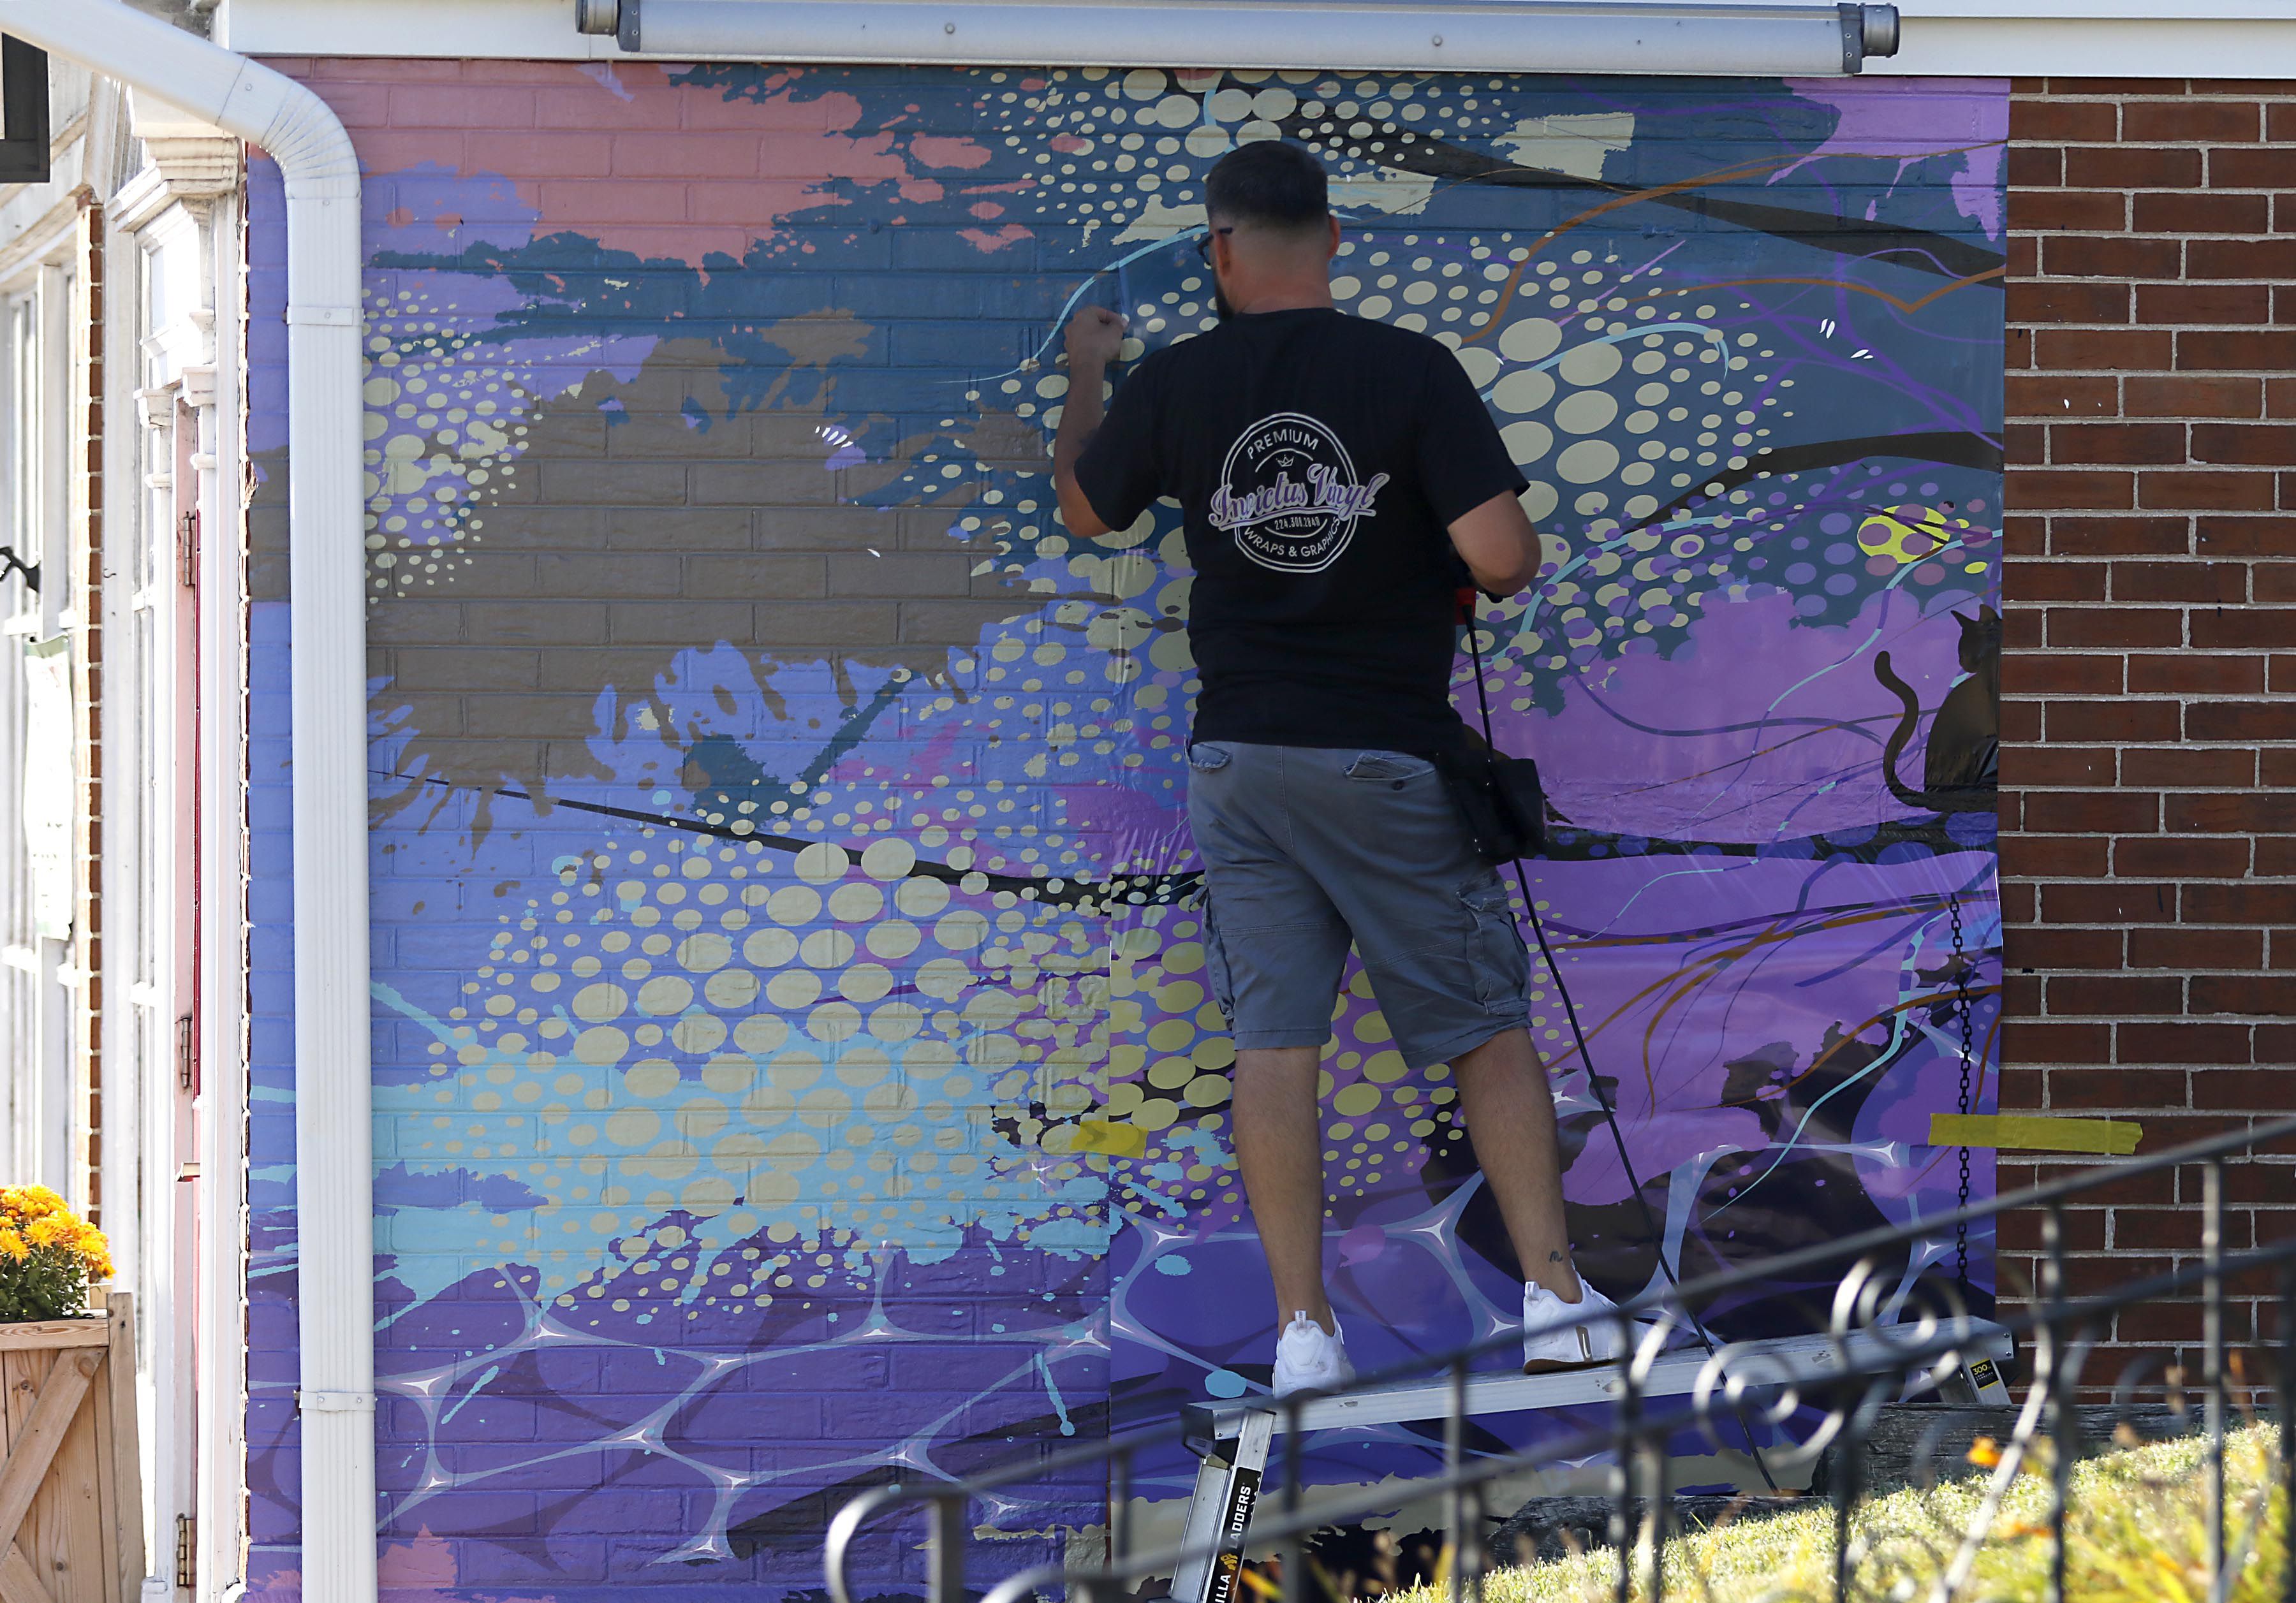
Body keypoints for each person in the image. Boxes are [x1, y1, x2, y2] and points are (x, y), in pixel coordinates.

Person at [1052, 138, 1624, 1398]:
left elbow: (1089, 510)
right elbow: (1506, 555)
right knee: (1481, 1026)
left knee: (1276, 1039)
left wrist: (1088, 373)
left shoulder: (1179, 382)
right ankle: (1558, 1303)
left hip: (1241, 760)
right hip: (1380, 753)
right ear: (1332, 243)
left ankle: (1305, 1336)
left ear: (1220, 251)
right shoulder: (1408, 372)